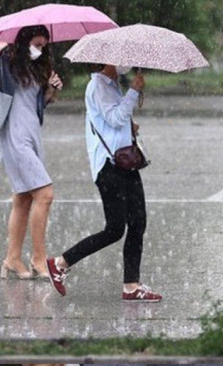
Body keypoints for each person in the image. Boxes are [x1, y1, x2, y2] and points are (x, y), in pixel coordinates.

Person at [45, 63, 162, 302]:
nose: (125, 65)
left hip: (125, 162)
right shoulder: (97, 86)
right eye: (122, 61)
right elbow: (115, 118)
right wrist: (133, 91)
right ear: (108, 61)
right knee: (115, 229)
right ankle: (60, 263)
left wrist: (131, 122)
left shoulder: (111, 85)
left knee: (137, 222)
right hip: (109, 167)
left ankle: (131, 285)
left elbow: (114, 122)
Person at [0, 24, 63, 280]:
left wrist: (51, 89)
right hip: (14, 137)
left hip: (32, 135)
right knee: (45, 195)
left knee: (23, 199)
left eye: (43, 46)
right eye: (36, 45)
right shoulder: (7, 63)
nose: (40, 50)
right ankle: (38, 259)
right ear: (24, 42)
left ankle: (12, 259)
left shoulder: (37, 69)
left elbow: (37, 105)